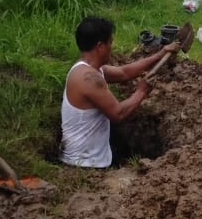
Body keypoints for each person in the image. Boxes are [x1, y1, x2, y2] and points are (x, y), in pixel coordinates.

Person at [61, 15, 179, 168]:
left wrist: (160, 54)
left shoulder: (88, 69)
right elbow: (118, 113)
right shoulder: (88, 78)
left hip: (87, 160)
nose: (112, 47)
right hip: (84, 164)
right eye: (110, 42)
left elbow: (124, 73)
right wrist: (141, 92)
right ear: (100, 46)